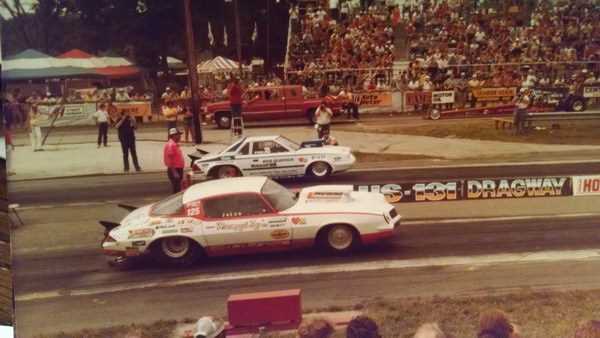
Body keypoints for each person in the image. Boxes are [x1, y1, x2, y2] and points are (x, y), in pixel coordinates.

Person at [164, 128, 185, 193]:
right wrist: (174, 172)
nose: (180, 136)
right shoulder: (171, 145)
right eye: (178, 135)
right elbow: (170, 159)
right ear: (173, 135)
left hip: (177, 169)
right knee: (177, 190)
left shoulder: (174, 144)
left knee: (177, 189)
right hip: (175, 169)